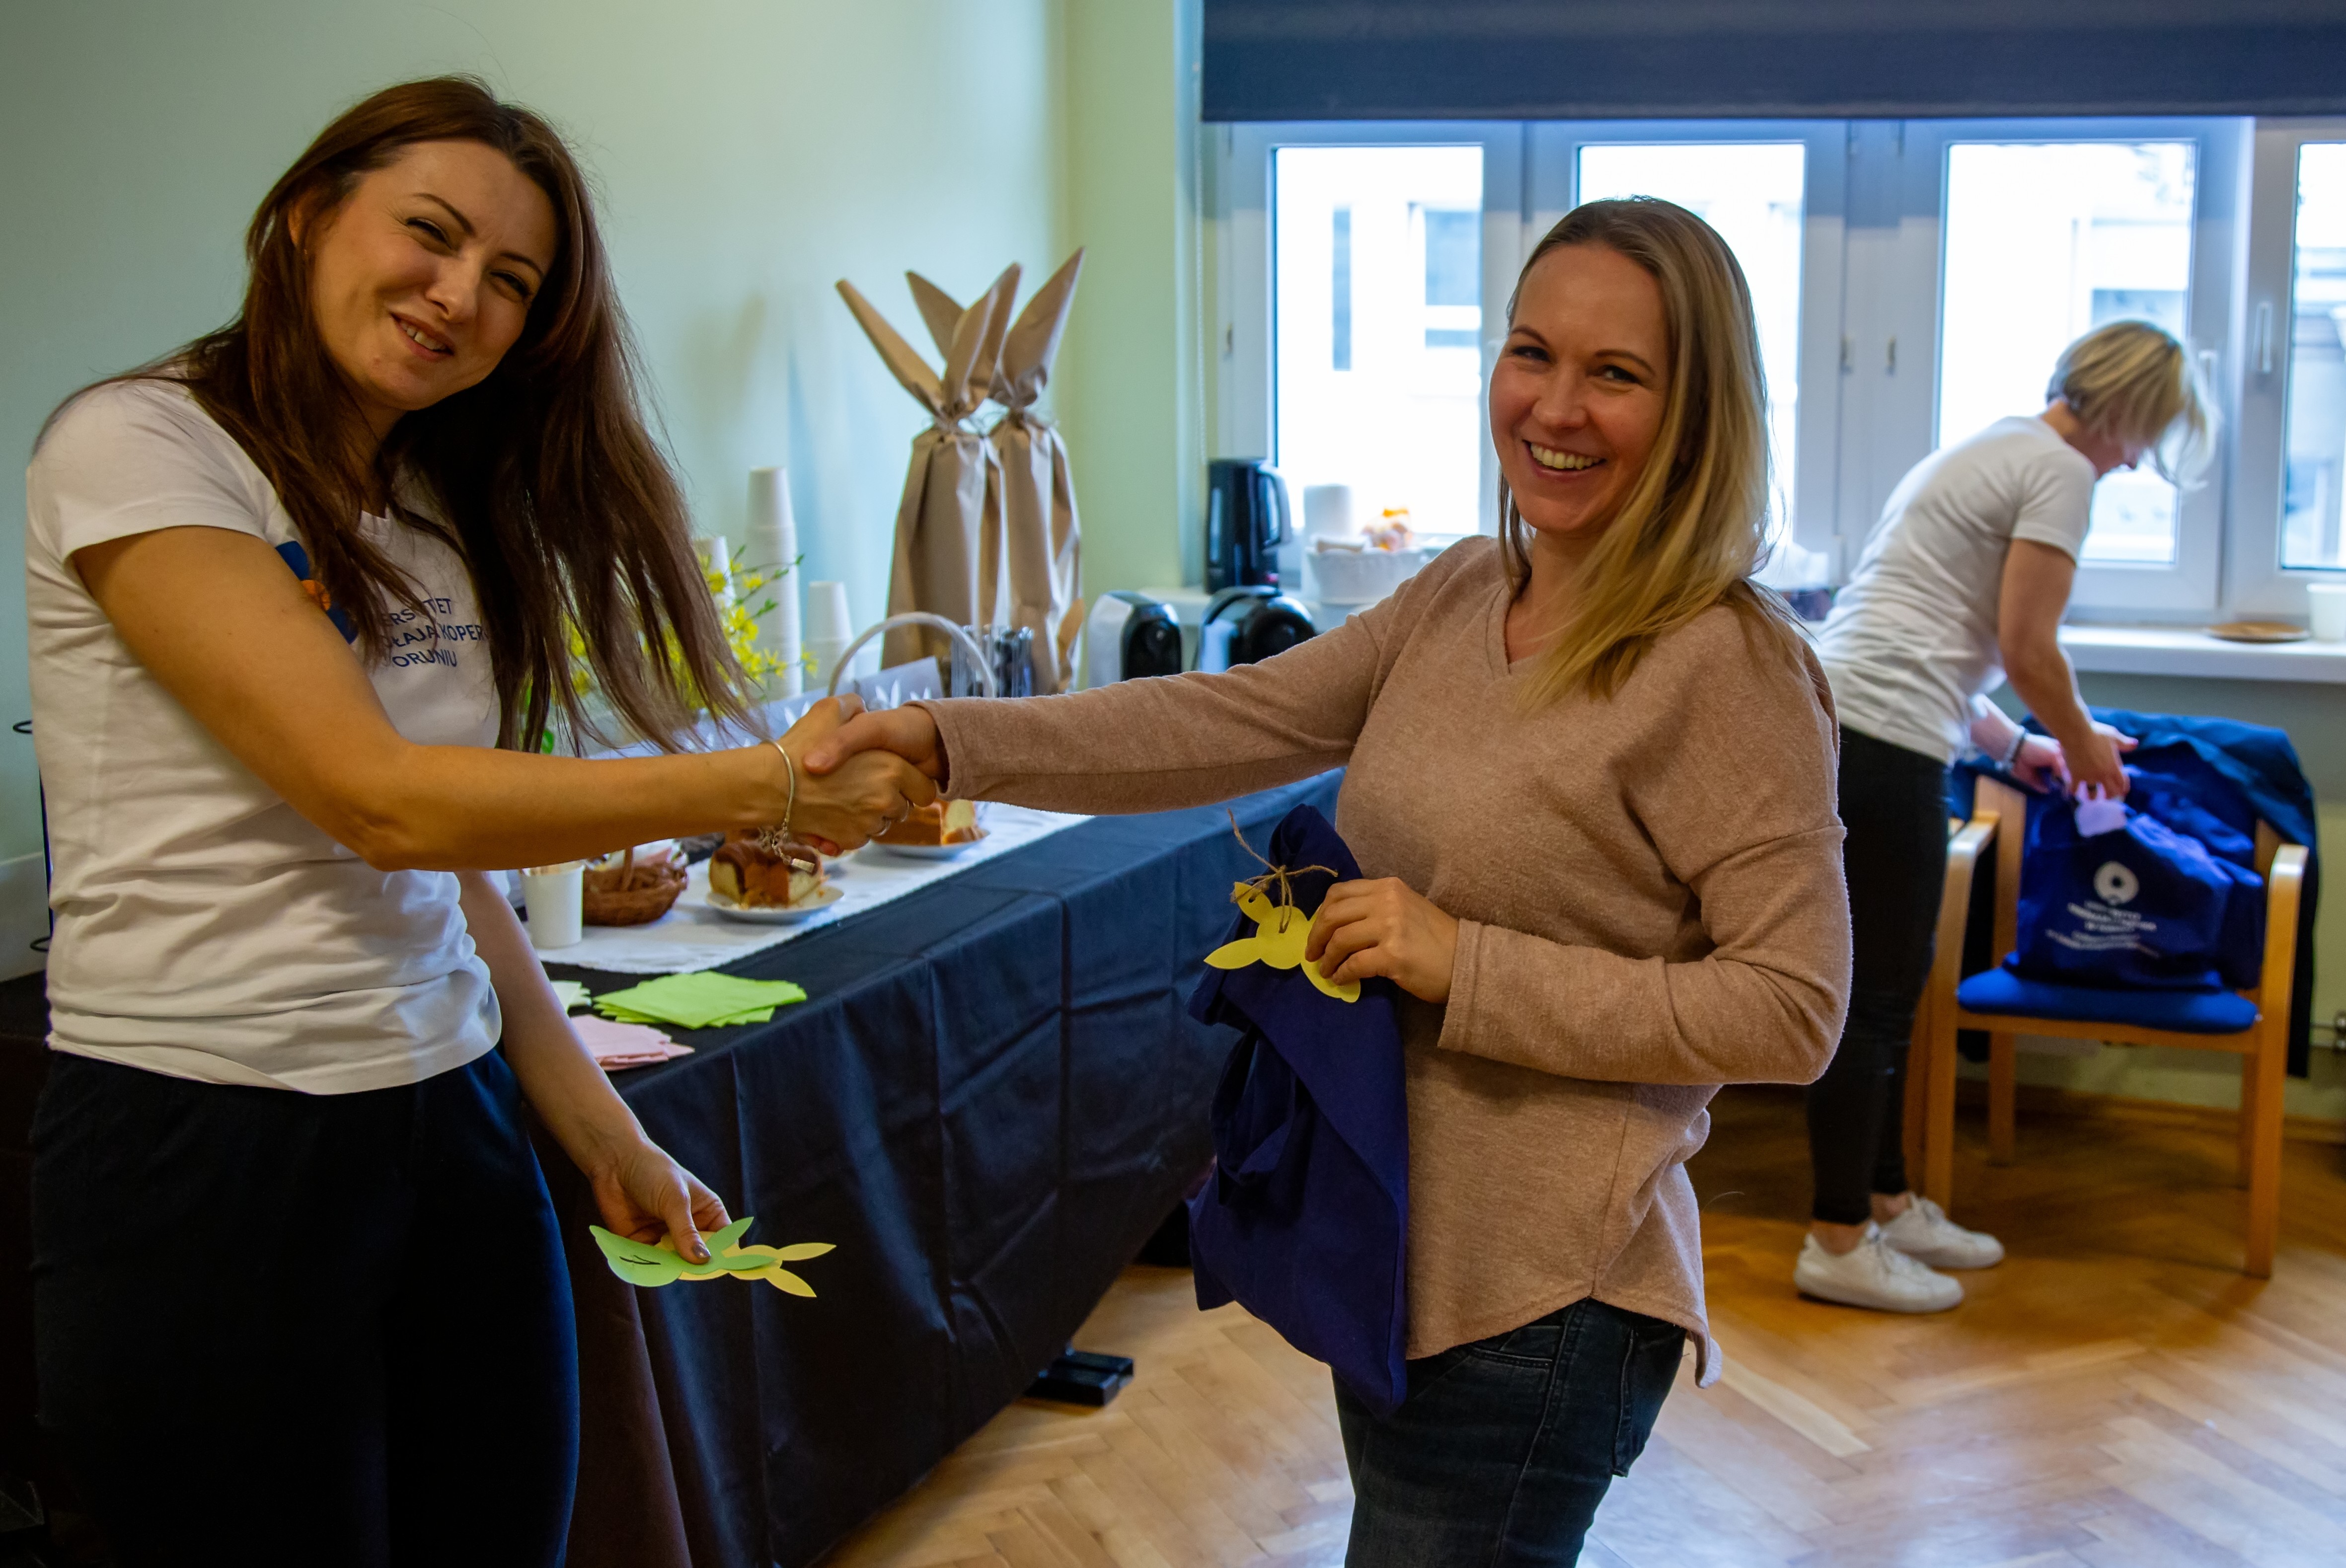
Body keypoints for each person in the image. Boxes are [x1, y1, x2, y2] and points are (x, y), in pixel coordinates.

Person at [805, 198, 1850, 1566]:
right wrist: (946, 739)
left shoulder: (1730, 667)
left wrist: (1462, 961)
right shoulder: (1463, 592)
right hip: (1401, 1253)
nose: (1555, 406)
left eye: (1617, 373)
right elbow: (1222, 719)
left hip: (1545, 1303)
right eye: (1532, 352)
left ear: (1700, 411)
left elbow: (1791, 1008)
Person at [22, 77, 932, 1566]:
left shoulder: (436, 502)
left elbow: (447, 869)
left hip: (448, 1114)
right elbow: (378, 799)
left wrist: (601, 1128)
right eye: (431, 234)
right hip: (206, 1137)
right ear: (308, 216)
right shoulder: (142, 445)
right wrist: (759, 781)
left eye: (512, 279)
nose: (461, 296)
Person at [1796, 320, 2213, 1313]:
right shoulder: (2059, 472)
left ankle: (1887, 1204)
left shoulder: (1993, 446)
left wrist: (2019, 745)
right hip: (1882, 741)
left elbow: (1938, 639)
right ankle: (1837, 1239)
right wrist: (2082, 742)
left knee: (1891, 991)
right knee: (1872, 1000)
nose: (2133, 461)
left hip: (1859, 726)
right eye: (2143, 434)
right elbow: (2029, 648)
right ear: (2124, 407)